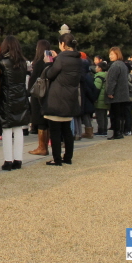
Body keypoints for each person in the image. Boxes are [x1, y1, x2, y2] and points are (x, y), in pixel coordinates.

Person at [42, 33, 82, 166]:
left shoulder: (62, 58)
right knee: (67, 130)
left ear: (63, 44)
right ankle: (68, 157)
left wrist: (49, 63)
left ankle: (57, 159)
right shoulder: (78, 59)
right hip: (70, 98)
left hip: (57, 98)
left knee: (55, 131)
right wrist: (57, 57)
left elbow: (50, 74)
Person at [0, 35, 29, 170]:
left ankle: (8, 160)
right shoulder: (23, 62)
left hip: (6, 98)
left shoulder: (2, 62)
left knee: (6, 129)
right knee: (18, 128)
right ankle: (18, 159)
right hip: (21, 97)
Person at [27, 40, 51, 156]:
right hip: (48, 94)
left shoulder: (38, 63)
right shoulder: (50, 62)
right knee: (45, 120)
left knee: (40, 120)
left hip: (38, 94)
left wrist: (29, 91)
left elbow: (33, 80)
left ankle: (42, 147)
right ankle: (45, 146)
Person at [106, 47, 130, 140]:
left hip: (116, 94)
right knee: (120, 114)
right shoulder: (123, 65)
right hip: (123, 93)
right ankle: (120, 131)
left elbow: (112, 80)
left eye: (112, 54)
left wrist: (110, 92)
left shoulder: (115, 66)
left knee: (115, 114)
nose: (110, 56)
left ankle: (117, 133)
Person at [93, 61, 110, 136]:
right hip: (106, 98)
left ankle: (101, 130)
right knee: (104, 115)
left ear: (100, 68)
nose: (95, 68)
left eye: (97, 67)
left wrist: (94, 98)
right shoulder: (107, 76)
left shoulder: (99, 77)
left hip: (100, 99)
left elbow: (96, 89)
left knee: (100, 116)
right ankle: (105, 129)